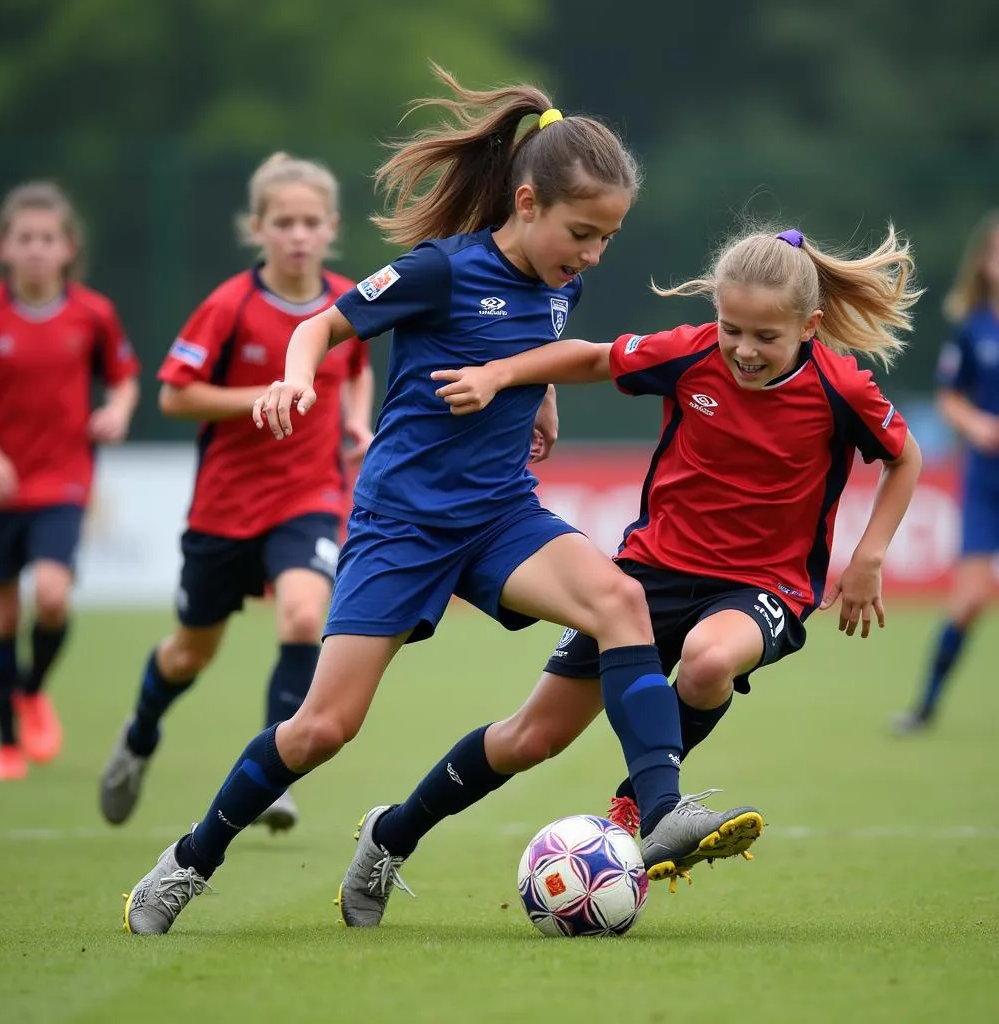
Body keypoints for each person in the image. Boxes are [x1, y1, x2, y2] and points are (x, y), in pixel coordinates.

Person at [121, 65, 760, 935]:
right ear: (527, 202)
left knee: (620, 599)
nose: (594, 255)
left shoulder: (560, 281)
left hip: (500, 514)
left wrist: (540, 396)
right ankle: (189, 860)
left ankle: (659, 810)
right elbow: (321, 324)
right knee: (320, 729)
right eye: (583, 232)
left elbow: (535, 339)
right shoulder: (439, 270)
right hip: (403, 525)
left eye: (609, 237)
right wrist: (295, 381)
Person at [330, 222, 924, 927]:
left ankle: (642, 804)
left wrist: (870, 555)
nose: (743, 350)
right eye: (731, 328)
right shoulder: (690, 354)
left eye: (766, 337)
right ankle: (390, 835)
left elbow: (904, 457)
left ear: (810, 326)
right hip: (649, 576)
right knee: (529, 738)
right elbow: (588, 359)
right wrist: (501, 373)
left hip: (765, 586)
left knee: (707, 662)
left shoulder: (841, 387)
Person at [99, 153, 374, 832]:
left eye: (311, 221)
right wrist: (271, 391)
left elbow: (359, 364)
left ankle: (272, 776)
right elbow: (172, 395)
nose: (298, 235)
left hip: (308, 497)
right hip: (224, 511)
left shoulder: (348, 301)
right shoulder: (230, 305)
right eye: (283, 222)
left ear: (332, 227)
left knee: (305, 617)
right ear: (257, 227)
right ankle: (140, 733)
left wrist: (357, 420)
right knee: (190, 652)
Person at [0, 181, 141, 781]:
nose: (37, 249)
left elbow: (124, 377)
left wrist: (117, 411)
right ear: (4, 246)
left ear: (68, 247)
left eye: (48, 238)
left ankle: (33, 690)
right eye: (25, 239)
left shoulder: (91, 314)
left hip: (64, 481)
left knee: (49, 595)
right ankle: (7, 746)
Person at [893, 211, 999, 733]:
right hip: (986, 479)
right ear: (984, 263)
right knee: (971, 599)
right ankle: (926, 705)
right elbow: (950, 400)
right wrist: (977, 424)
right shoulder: (973, 329)